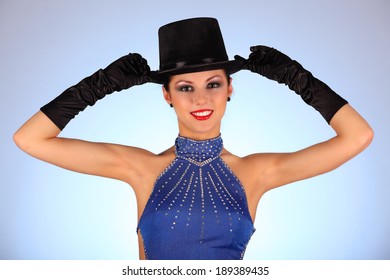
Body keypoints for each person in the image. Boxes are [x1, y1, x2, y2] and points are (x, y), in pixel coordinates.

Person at [13, 17, 373, 260]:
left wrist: (296, 78)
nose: (201, 99)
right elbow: (30, 139)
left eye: (213, 84)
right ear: (167, 95)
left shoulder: (257, 172)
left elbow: (358, 136)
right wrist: (98, 86)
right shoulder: (141, 168)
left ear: (230, 88)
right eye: (185, 88)